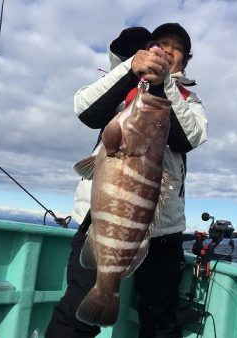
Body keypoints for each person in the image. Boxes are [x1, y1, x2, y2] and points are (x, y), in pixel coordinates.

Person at [45, 23, 208, 338]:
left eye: (177, 48)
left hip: (164, 230)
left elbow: (188, 137)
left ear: (184, 62)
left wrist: (165, 87)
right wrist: (129, 69)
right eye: (161, 43)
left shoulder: (191, 101)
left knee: (161, 321)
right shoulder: (122, 81)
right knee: (74, 317)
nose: (168, 50)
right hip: (101, 219)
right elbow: (86, 110)